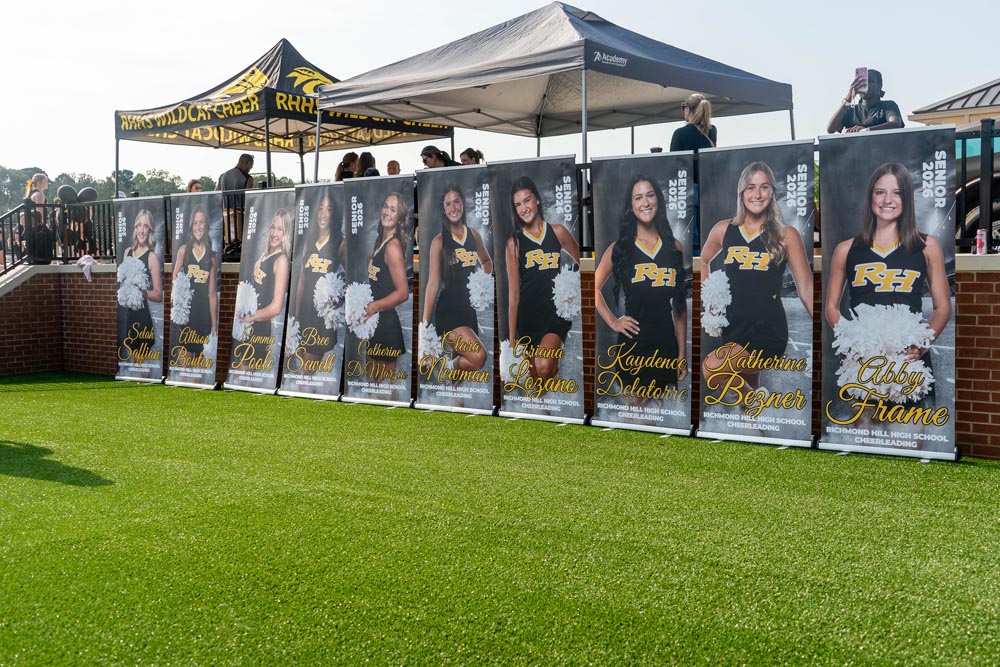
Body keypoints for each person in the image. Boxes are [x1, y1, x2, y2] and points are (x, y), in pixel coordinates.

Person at [700, 162, 813, 392]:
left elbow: (806, 288)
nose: (757, 194)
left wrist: (826, 332)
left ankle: (758, 402)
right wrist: (711, 299)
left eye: (764, 187)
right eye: (751, 187)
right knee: (746, 398)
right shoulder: (723, 229)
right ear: (741, 192)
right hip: (734, 328)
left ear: (772, 191)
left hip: (767, 330)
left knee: (712, 369)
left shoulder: (787, 234)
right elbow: (702, 261)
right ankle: (755, 410)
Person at [825, 162, 950, 364]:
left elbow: (943, 306)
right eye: (880, 192)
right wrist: (852, 341)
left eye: (897, 193)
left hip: (909, 362)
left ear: (906, 198)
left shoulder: (927, 246)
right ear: (870, 197)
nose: (887, 200)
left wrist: (922, 344)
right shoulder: (845, 250)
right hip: (862, 360)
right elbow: (831, 307)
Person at [595, 175, 688, 396]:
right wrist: (613, 321)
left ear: (658, 200)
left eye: (650, 195)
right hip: (633, 346)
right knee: (636, 411)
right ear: (631, 205)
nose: (645, 203)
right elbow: (592, 288)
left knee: (662, 411)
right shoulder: (620, 248)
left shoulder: (674, 247)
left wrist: (682, 355)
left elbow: (679, 306)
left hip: (665, 346)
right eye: (638, 198)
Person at [505, 176, 580, 383]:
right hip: (528, 316)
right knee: (537, 383)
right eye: (518, 205)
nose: (524, 208)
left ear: (537, 199)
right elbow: (514, 294)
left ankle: (554, 369)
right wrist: (512, 338)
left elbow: (583, 263)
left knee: (544, 366)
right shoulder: (514, 243)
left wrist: (572, 287)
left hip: (556, 314)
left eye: (527, 200)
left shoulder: (558, 232)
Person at [421, 185, 493, 373]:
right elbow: (433, 283)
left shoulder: (473, 235)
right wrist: (425, 325)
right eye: (448, 204)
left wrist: (482, 279)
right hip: (449, 310)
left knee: (459, 378)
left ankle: (452, 381)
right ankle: (446, 367)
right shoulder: (439, 242)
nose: (453, 208)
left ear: (463, 204)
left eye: (456, 202)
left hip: (469, 309)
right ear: (443, 209)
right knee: (478, 357)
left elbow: (486, 261)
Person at [362, 193, 411, 379]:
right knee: (372, 385)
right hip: (376, 323)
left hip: (385, 325)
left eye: (393, 209)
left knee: (382, 389)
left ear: (400, 218)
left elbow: (403, 293)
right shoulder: (381, 242)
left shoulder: (392, 247)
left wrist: (374, 306)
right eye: (385, 206)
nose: (387, 212)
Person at [292, 193, 342, 368]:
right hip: (305, 312)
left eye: (328, 209)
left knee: (307, 369)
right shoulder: (309, 241)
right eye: (320, 209)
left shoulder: (339, 242)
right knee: (302, 366)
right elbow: (301, 281)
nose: (323, 214)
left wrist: (338, 299)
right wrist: (296, 316)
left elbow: (352, 278)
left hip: (322, 318)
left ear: (334, 213)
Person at [238, 209, 291, 362]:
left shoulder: (281, 260)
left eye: (280, 229)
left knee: (245, 371)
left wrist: (250, 317)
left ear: (286, 233)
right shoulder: (265, 254)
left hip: (259, 328)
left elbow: (276, 307)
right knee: (241, 373)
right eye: (273, 227)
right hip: (247, 324)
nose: (274, 233)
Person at [172, 205, 218, 359]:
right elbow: (175, 278)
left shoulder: (211, 257)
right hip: (187, 315)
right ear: (191, 226)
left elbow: (212, 294)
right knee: (184, 361)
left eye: (201, 222)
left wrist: (214, 325)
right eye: (195, 223)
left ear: (207, 225)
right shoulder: (184, 250)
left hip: (203, 315)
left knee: (199, 363)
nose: (198, 227)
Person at [119, 209, 163, 337]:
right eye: (139, 225)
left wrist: (142, 291)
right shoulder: (127, 252)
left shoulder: (152, 257)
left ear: (150, 230)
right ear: (135, 228)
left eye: (146, 226)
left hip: (142, 320)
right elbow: (123, 285)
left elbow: (159, 295)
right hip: (127, 317)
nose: (142, 231)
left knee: (140, 350)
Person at [827, 69, 903, 134]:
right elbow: (831, 129)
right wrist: (849, 98)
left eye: (870, 81)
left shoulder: (888, 106)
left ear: (879, 86)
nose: (866, 85)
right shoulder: (851, 111)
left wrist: (866, 131)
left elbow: (895, 124)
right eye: (862, 82)